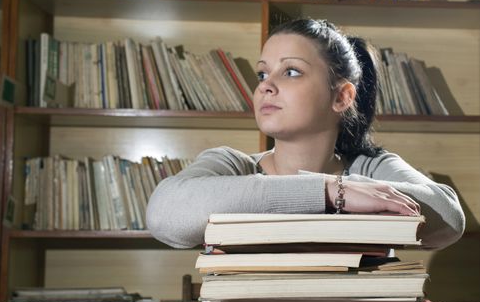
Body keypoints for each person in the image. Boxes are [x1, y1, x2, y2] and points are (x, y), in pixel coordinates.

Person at [146, 18, 465, 250]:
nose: (265, 85)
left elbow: (449, 218)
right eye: (262, 72)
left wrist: (346, 184)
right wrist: (329, 192)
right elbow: (163, 215)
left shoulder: (369, 168)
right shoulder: (231, 164)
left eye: (291, 71)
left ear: (342, 97)